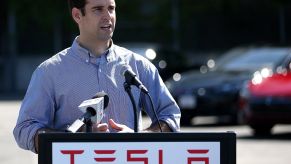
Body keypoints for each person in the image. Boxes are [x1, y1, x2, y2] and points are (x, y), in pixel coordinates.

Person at [13, 0, 181, 154]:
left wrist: (139, 138)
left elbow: (169, 116)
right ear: (77, 15)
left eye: (111, 8)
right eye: (98, 9)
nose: (108, 16)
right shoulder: (49, 72)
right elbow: (25, 129)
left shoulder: (139, 66)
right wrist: (69, 138)